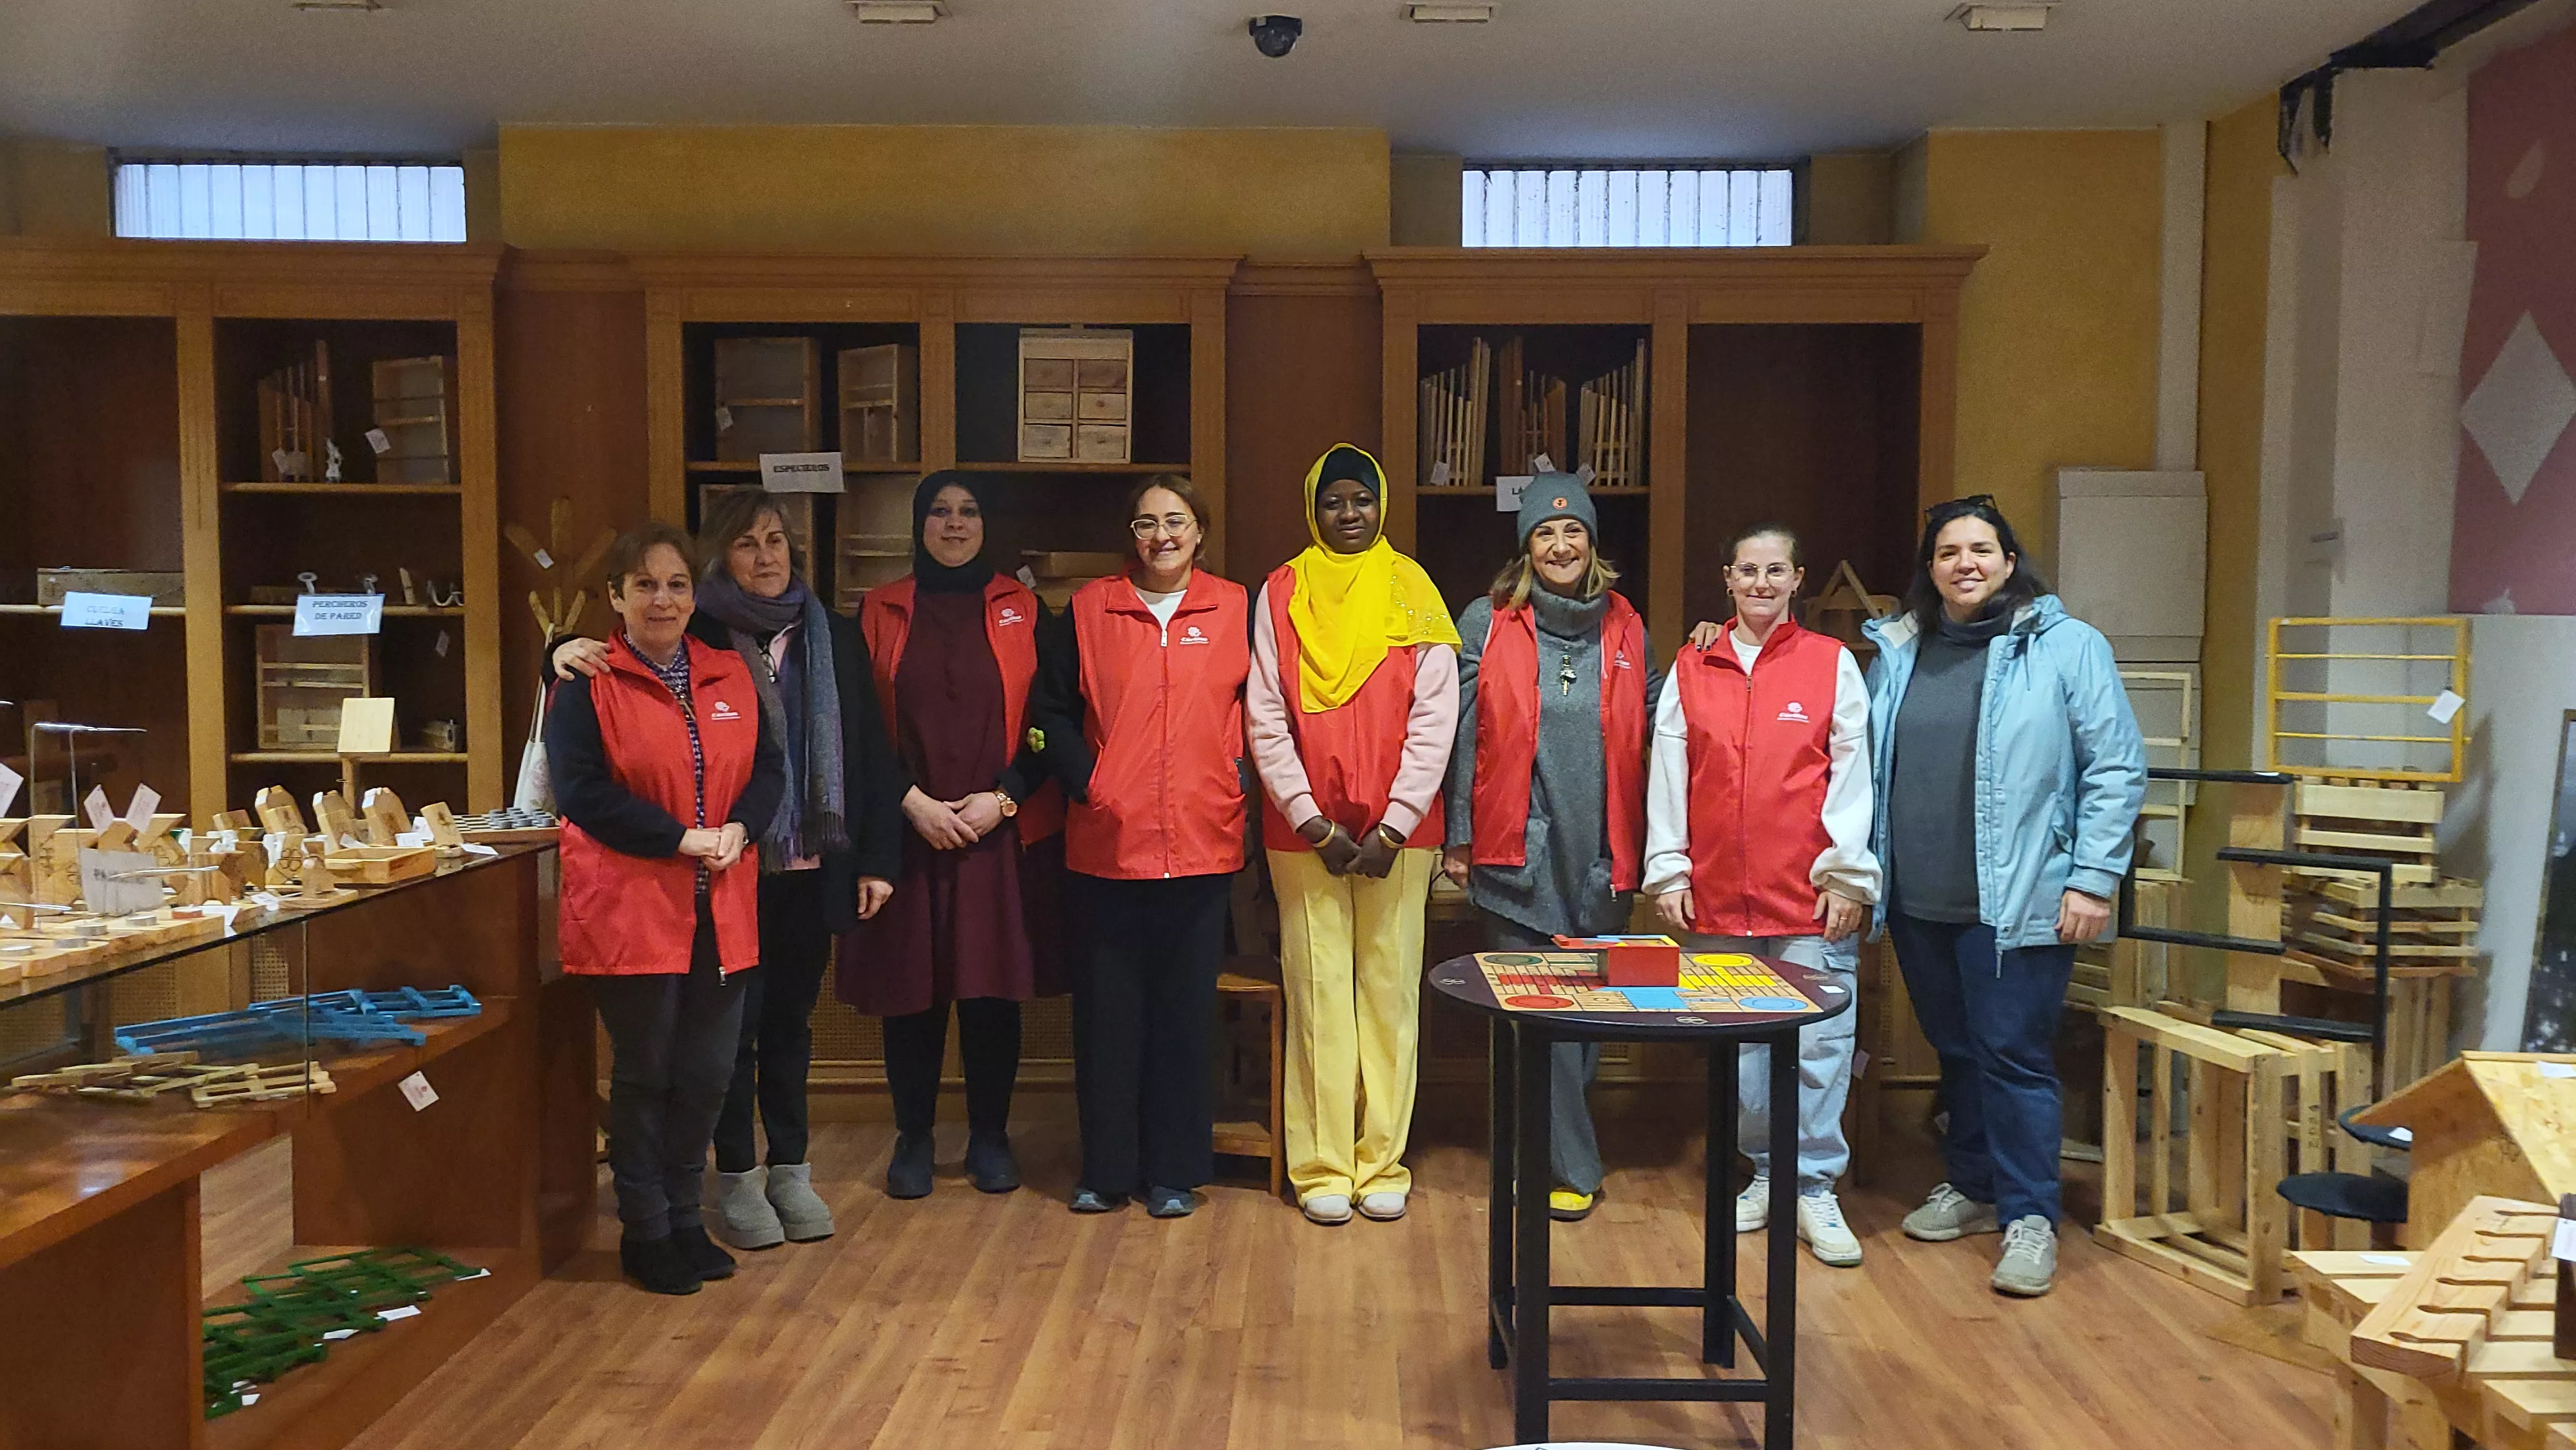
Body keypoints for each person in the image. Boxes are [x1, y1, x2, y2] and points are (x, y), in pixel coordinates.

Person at [550, 491, 902, 1251]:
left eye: (777, 540)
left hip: (786, 864)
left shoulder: (826, 634)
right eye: (747, 543)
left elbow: (861, 750)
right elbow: (584, 765)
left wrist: (866, 853)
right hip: (681, 888)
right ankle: (723, 1187)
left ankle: (782, 1176)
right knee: (698, 1053)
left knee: (776, 1034)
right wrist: (558, 647)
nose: (767, 555)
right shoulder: (689, 634)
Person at [1864, 494, 2144, 1298]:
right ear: (1929, 569)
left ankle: (2029, 1214)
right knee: (1957, 1052)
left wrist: (2094, 876)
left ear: (2010, 560)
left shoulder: (2066, 647)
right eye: (1948, 552)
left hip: (2019, 898)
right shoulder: (1900, 649)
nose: (1965, 563)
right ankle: (1976, 1183)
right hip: (1920, 897)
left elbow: (2115, 767)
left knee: (2014, 1056)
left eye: (1981, 549)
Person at [546, 521, 783, 1296]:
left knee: (708, 1074)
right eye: (644, 583)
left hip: (726, 907)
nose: (662, 597)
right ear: (615, 596)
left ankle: (687, 1214)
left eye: (677, 583)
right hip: (632, 910)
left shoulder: (728, 671)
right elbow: (582, 794)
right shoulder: (585, 680)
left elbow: (770, 769)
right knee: (647, 1074)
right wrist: (684, 838)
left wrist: (741, 827)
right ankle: (644, 1227)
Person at [1653, 525, 1877, 1268]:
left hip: (1809, 898)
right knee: (1746, 1047)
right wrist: (1669, 868)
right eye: (1746, 569)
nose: (1759, 582)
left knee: (1818, 1047)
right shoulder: (1693, 664)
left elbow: (1851, 776)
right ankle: (1762, 1172)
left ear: (1796, 578)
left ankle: (1813, 1186)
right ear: (1727, 577)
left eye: (1774, 569)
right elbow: (1668, 775)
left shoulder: (1831, 664)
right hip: (1717, 897)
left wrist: (1847, 874)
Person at [1247, 443, 1460, 1227]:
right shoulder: (1282, 589)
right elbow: (1265, 713)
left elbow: (1436, 716)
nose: (1348, 514)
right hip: (1304, 833)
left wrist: (1394, 825)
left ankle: (1382, 1161)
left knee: (1387, 995)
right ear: (1314, 507)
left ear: (1381, 506)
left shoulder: (1413, 589)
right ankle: (1321, 1166)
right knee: (1318, 995)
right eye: (1333, 501)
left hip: (1399, 838)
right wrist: (1311, 818)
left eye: (1360, 500)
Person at [1029, 475, 1249, 1218]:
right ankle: (1107, 1167)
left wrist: (1233, 779)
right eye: (1148, 522)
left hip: (1202, 842)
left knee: (1184, 1018)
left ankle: (1174, 1170)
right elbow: (1049, 711)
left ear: (1200, 532)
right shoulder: (1088, 609)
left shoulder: (1235, 608)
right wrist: (1090, 781)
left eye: (1177, 521)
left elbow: (1261, 711)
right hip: (1106, 844)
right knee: (1107, 1016)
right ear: (1132, 534)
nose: (1163, 535)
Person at [1439, 475, 1657, 1225]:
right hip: (1514, 849)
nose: (1560, 546)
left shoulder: (1627, 626)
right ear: (1525, 547)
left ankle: (1539, 1145)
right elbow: (1462, 734)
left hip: (1601, 852)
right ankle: (1572, 1165)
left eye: (1573, 533)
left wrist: (1709, 647)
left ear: (1592, 543)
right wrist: (1458, 839)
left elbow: (1664, 720)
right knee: (1532, 1011)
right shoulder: (1487, 621)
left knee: (1587, 1017)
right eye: (1544, 534)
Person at [842, 471, 1064, 1200]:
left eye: (968, 511)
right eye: (939, 510)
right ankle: (913, 1135)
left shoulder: (1024, 608)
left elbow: (1049, 719)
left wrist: (1001, 799)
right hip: (906, 831)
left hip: (993, 831)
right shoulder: (878, 610)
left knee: (990, 991)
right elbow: (858, 733)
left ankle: (991, 1135)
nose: (954, 523)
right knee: (914, 992)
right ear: (919, 523)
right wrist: (910, 803)